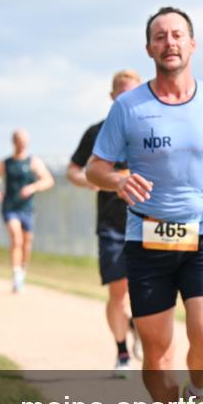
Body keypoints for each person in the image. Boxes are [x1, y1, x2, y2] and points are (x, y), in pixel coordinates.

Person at [87, 6, 203, 404]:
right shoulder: (128, 107)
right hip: (147, 242)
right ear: (149, 48)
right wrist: (116, 180)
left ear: (192, 44)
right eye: (160, 36)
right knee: (157, 353)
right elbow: (95, 168)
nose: (170, 42)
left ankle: (196, 397)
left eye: (178, 34)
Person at [68, 69, 143, 375]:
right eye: (121, 95)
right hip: (112, 224)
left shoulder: (149, 130)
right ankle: (122, 352)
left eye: (133, 94)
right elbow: (73, 170)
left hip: (146, 222)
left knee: (147, 291)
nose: (127, 100)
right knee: (118, 292)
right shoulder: (97, 132)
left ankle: (140, 327)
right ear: (112, 97)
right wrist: (91, 181)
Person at [0, 129, 54, 292]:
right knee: (16, 238)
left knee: (27, 243)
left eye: (25, 140)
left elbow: (48, 180)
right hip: (10, 207)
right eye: (19, 140)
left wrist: (33, 187)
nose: (22, 143)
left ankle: (23, 269)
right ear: (14, 142)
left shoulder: (33, 161)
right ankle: (16, 273)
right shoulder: (6, 163)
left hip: (27, 208)